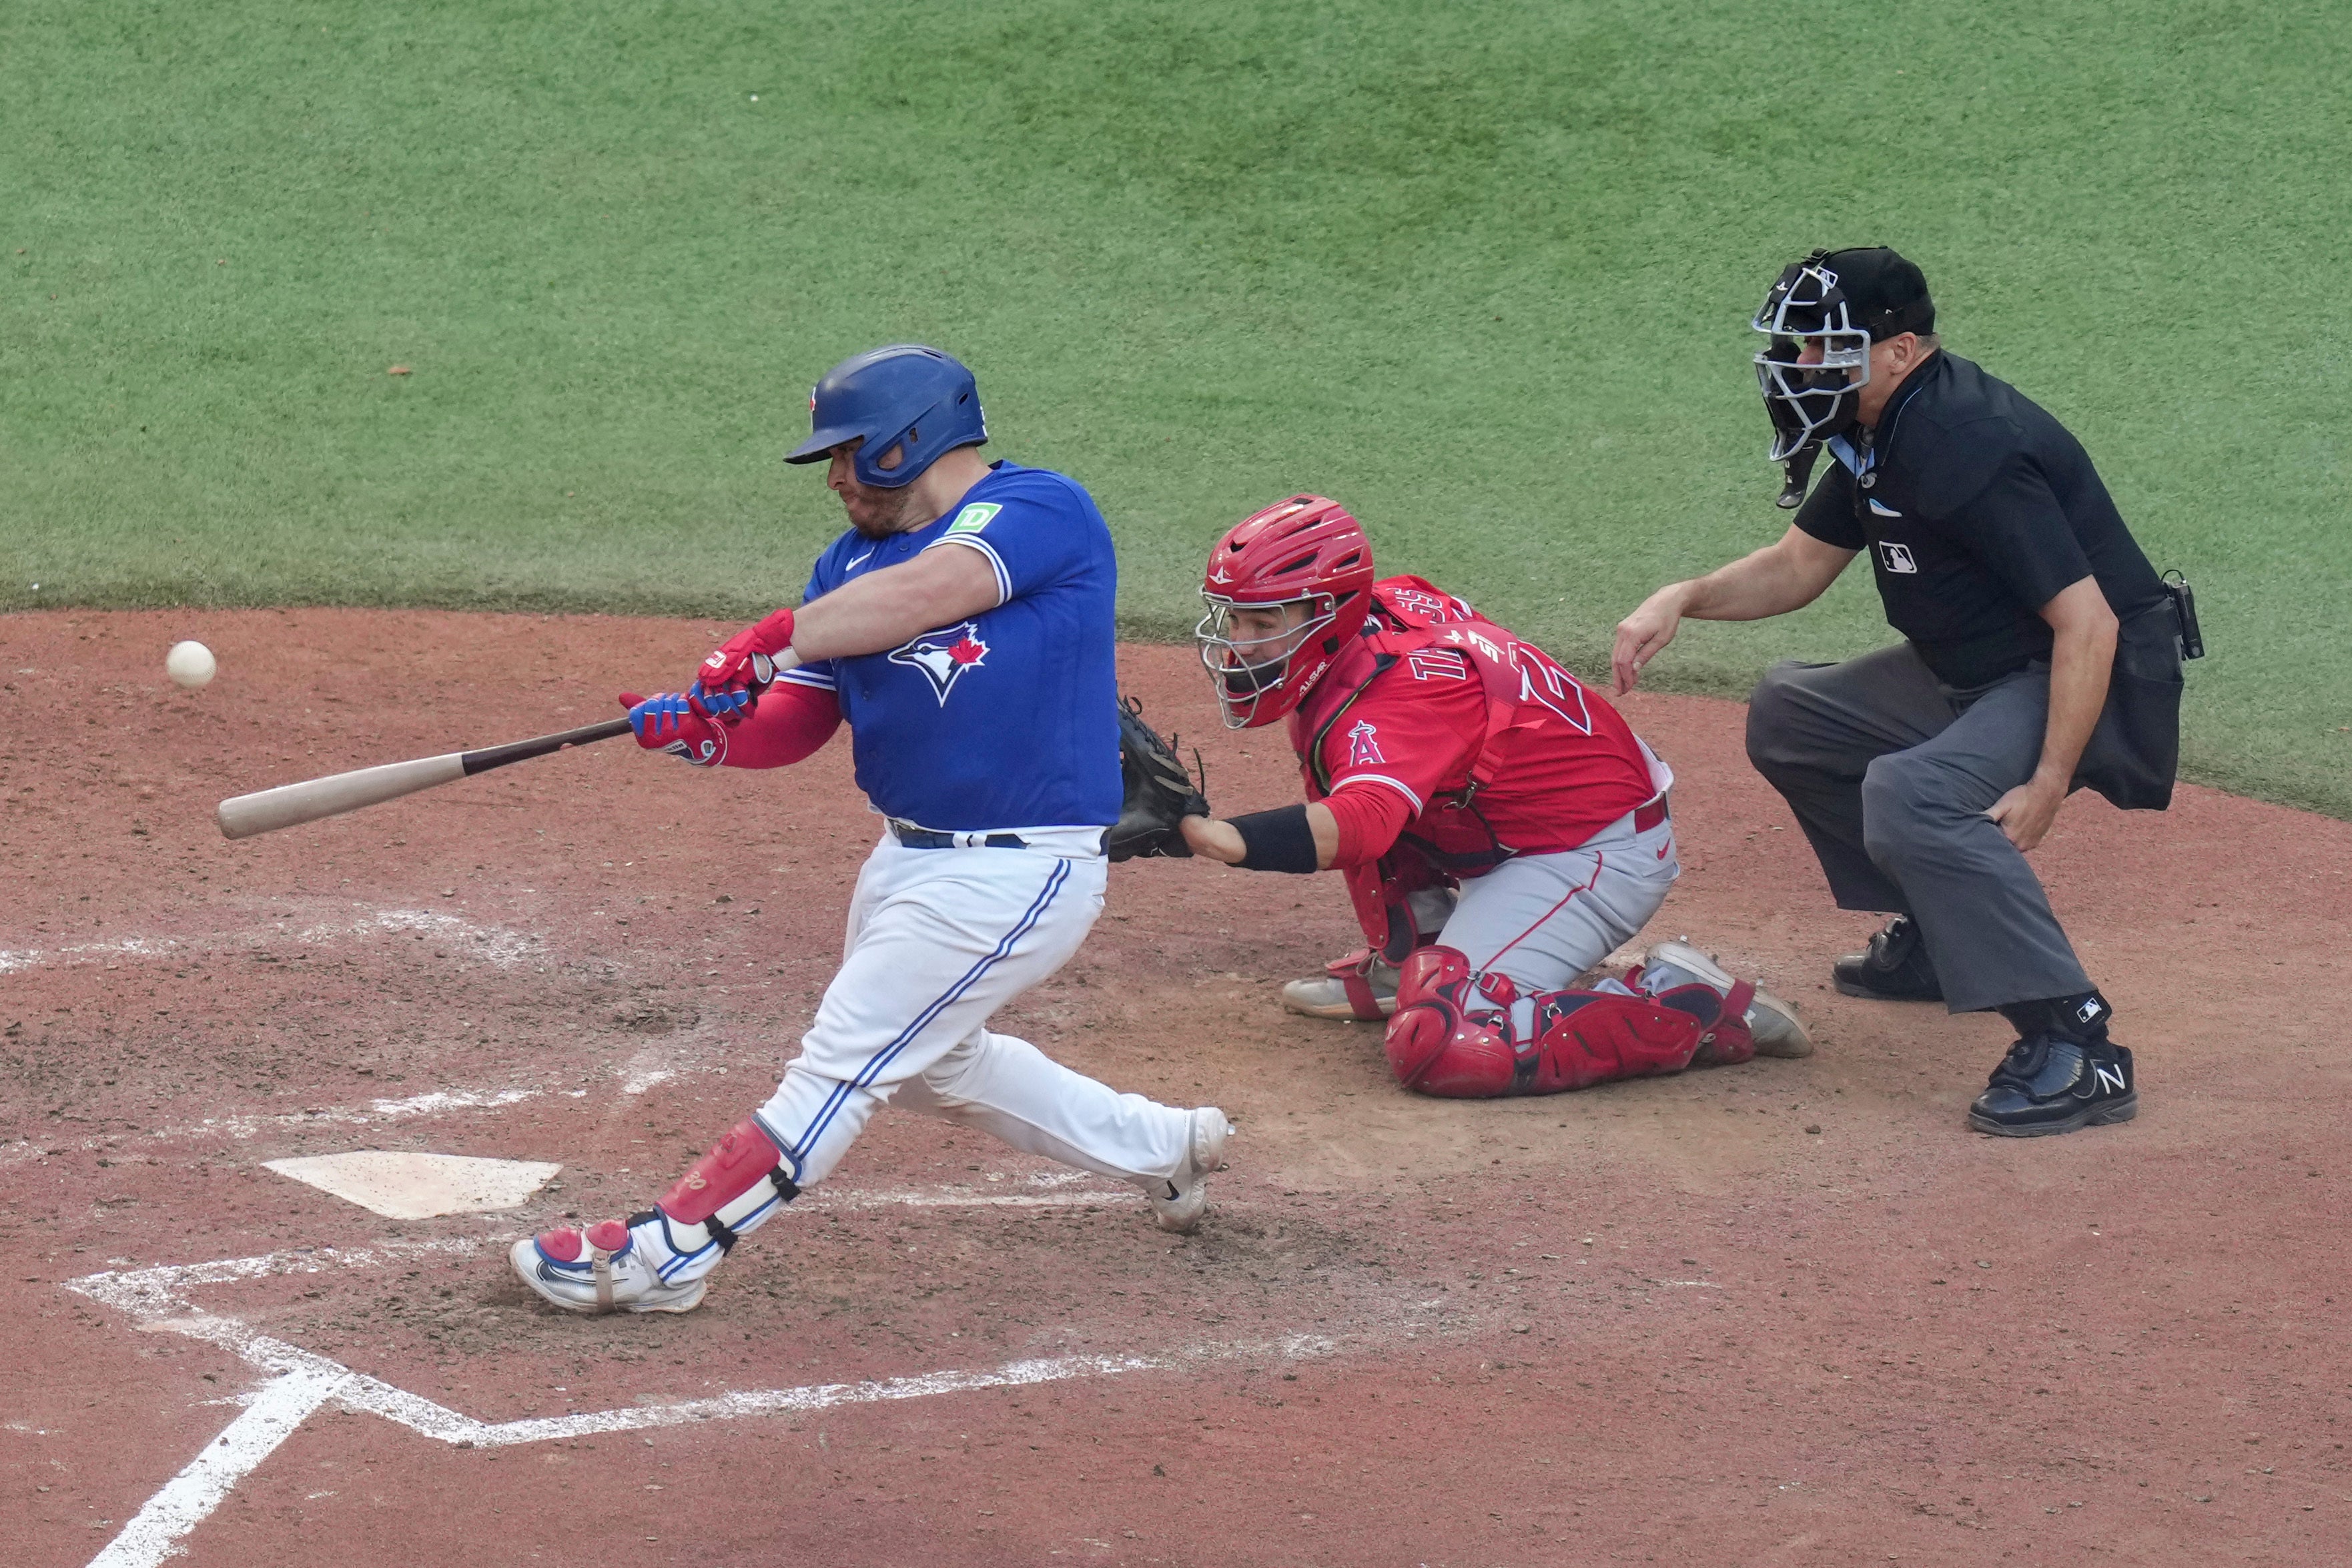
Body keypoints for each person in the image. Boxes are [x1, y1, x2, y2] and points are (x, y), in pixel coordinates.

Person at [511, 344, 1228, 1314]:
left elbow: (929, 595)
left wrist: (771, 634)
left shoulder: (1038, 511)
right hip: (906, 860)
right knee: (932, 1062)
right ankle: (1165, 1144)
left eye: (850, 455)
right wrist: (705, 737)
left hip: (1017, 871)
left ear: (913, 436)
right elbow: (797, 722)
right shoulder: (846, 564)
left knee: (844, 1063)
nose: (838, 479)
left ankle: (669, 1255)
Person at [1613, 248, 2189, 1137]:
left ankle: (2077, 1042)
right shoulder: (1879, 427)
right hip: (1971, 668)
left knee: (1908, 792)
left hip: (2076, 677)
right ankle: (1939, 937)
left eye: (1822, 349)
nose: (1800, 367)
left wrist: (2045, 780)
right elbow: (1797, 566)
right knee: (1789, 715)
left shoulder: (1965, 444)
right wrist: (1682, 597)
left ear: (1900, 349)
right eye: (1794, 349)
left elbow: (2091, 625)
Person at [1174, 494, 1812, 1099]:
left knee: (1452, 1039)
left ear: (1331, 613)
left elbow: (1363, 824)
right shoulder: (1381, 613)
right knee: (1351, 752)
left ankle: (1688, 1000)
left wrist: (1224, 838)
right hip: (1517, 816)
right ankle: (1412, 953)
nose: (1240, 642)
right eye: (1235, 618)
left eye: (1263, 622)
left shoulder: (1402, 694)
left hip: (1588, 851)